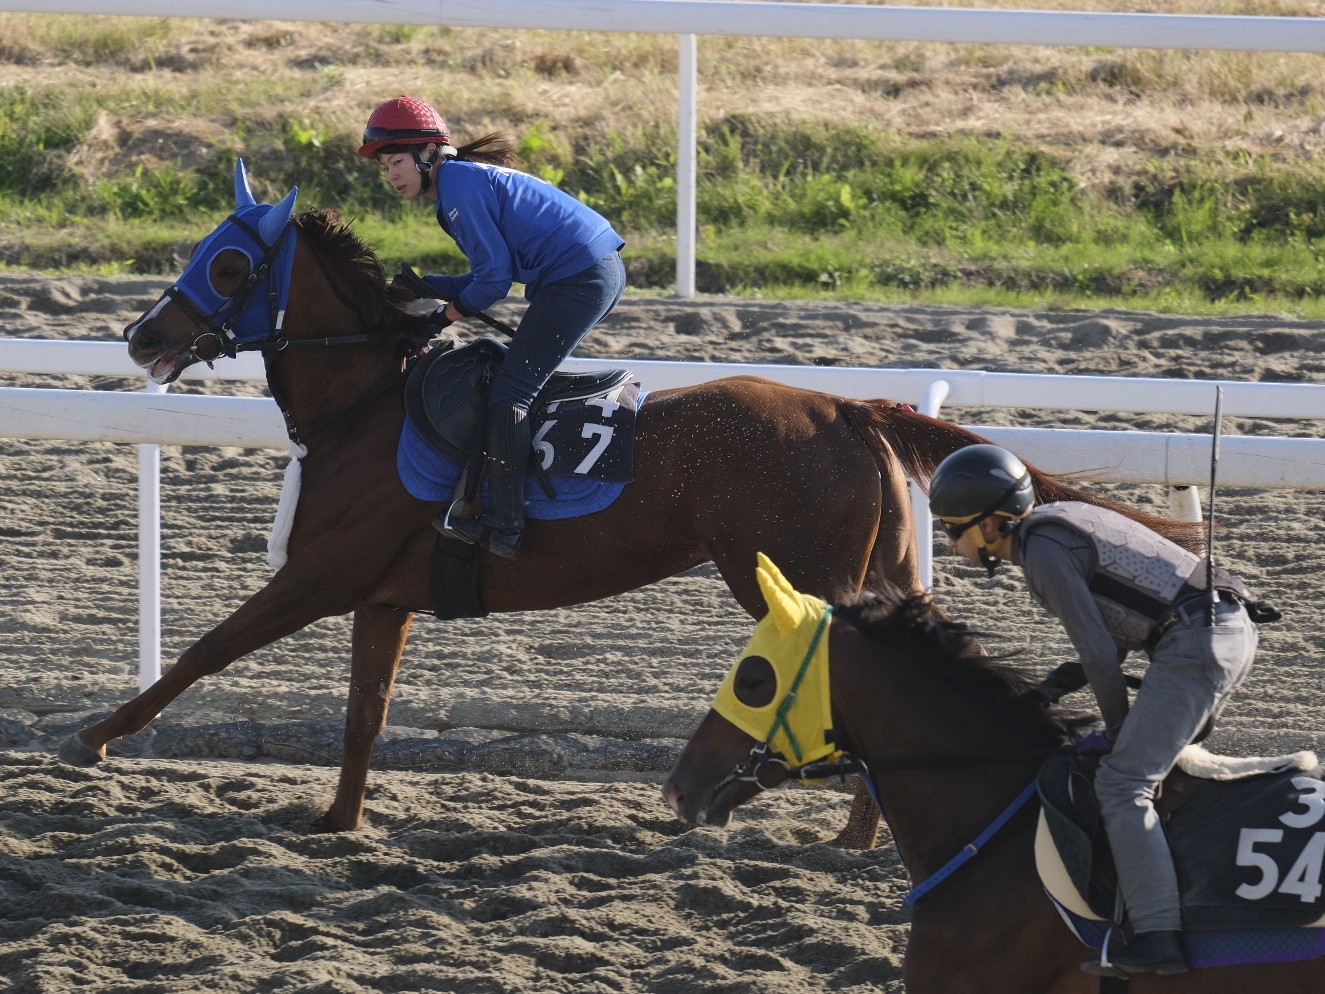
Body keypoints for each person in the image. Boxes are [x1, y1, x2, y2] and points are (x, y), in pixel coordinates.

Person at [927, 443, 1277, 978]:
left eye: (955, 530)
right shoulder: (1056, 524)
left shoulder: (1041, 555)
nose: (952, 547)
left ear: (994, 523)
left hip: (1197, 643)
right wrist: (1049, 690)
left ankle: (1158, 935)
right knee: (1151, 770)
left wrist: (1117, 730)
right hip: (1216, 630)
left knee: (1121, 782)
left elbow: (1095, 649)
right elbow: (1110, 638)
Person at [359, 94, 627, 558]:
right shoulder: (462, 182)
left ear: (428, 154)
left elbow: (494, 281)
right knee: (519, 379)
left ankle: (504, 521)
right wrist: (427, 287)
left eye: (397, 162)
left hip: (578, 278)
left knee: (512, 390)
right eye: (385, 169)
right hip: (583, 272)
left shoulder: (460, 184)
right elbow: (486, 275)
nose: (392, 176)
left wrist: (439, 319)